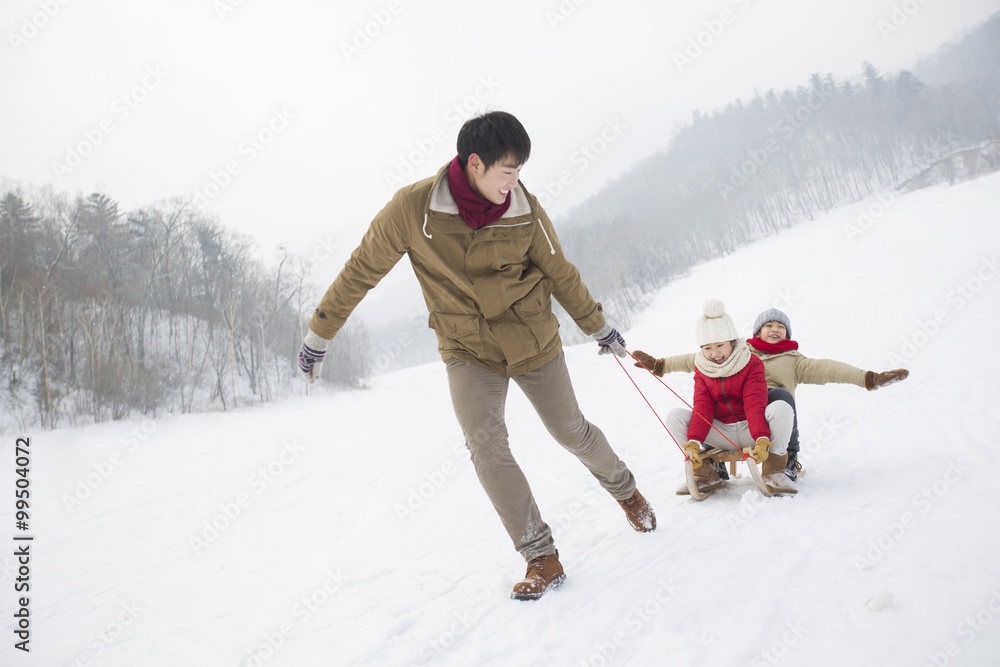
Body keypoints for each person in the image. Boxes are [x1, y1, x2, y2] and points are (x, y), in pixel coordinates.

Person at [296, 111, 655, 601]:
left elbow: (560, 272)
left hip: (532, 338)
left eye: (521, 171)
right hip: (467, 347)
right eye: (508, 171)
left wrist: (599, 326)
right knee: (486, 447)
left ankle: (626, 491)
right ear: (475, 164)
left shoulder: (524, 208)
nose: (515, 182)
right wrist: (320, 333)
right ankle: (540, 555)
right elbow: (362, 270)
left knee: (569, 430)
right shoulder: (412, 209)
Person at [633, 307, 909, 480]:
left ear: (787, 334)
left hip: (767, 417)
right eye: (769, 326)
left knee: (780, 397)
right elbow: (696, 358)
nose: (775, 329)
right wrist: (659, 365)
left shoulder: (794, 360)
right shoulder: (735, 353)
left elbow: (830, 369)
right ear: (758, 332)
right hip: (732, 417)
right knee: (701, 407)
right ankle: (710, 462)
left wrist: (868, 378)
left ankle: (786, 457)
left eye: (781, 327)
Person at [659, 299, 796, 496]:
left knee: (781, 407)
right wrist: (693, 442)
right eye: (707, 348)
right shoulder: (702, 368)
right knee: (675, 416)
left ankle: (774, 471)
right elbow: (702, 407)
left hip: (752, 429)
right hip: (721, 434)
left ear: (732, 341)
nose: (714, 353)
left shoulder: (751, 363)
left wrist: (762, 438)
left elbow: (754, 403)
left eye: (720, 345)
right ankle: (705, 474)